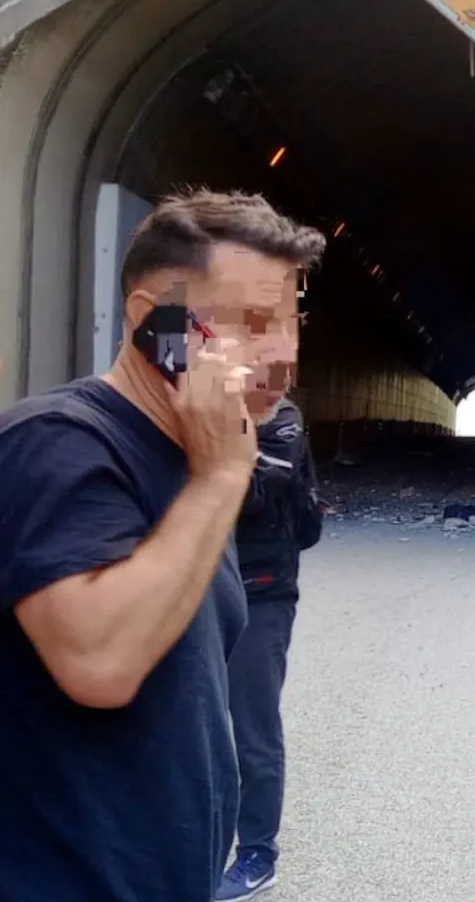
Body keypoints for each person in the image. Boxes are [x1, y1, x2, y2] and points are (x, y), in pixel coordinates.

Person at [0, 190, 324, 901]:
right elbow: (100, 662)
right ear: (158, 324)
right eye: (251, 324)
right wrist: (219, 482)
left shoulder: (194, 454)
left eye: (291, 324)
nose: (283, 356)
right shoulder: (57, 445)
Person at [217, 397, 326, 901]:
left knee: (251, 728)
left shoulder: (279, 417)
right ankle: (192, 847)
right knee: (186, 722)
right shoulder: (187, 400)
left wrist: (204, 449)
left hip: (261, 588)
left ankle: (258, 854)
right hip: (195, 587)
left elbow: (256, 487)